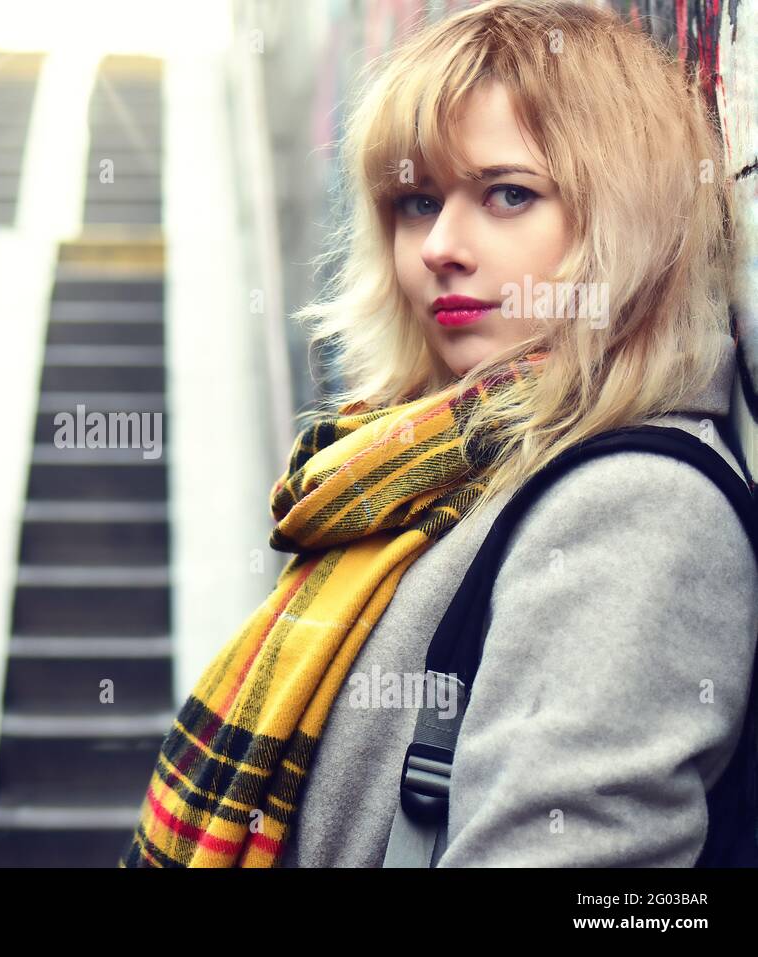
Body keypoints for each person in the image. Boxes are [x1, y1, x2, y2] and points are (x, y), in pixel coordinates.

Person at [119, 0, 758, 868]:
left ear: (629, 220)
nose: (440, 246)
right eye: (418, 202)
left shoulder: (633, 508)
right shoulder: (416, 482)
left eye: (508, 194)